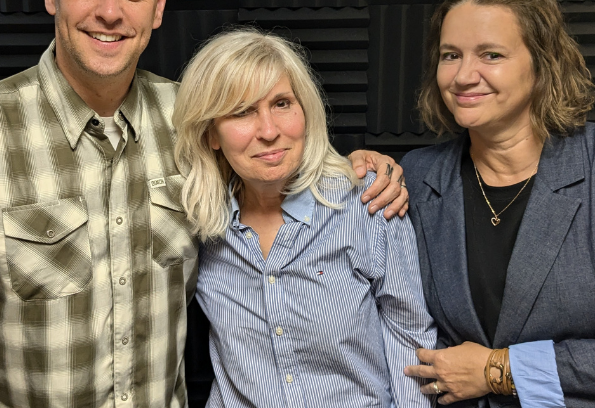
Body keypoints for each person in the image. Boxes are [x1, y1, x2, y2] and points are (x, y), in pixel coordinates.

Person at [0, 0, 408, 408]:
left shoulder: (191, 120)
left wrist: (360, 166)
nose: (110, 11)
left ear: (158, 5)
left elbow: (273, 158)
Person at [400, 0, 595, 408]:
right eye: (449, 55)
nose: (462, 76)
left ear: (542, 64)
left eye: (491, 55)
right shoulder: (419, 176)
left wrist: (496, 370)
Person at [173, 28, 437, 408]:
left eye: (281, 104)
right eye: (242, 111)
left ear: (305, 111)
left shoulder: (368, 203)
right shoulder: (200, 223)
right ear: (211, 134)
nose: (269, 131)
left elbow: (409, 338)